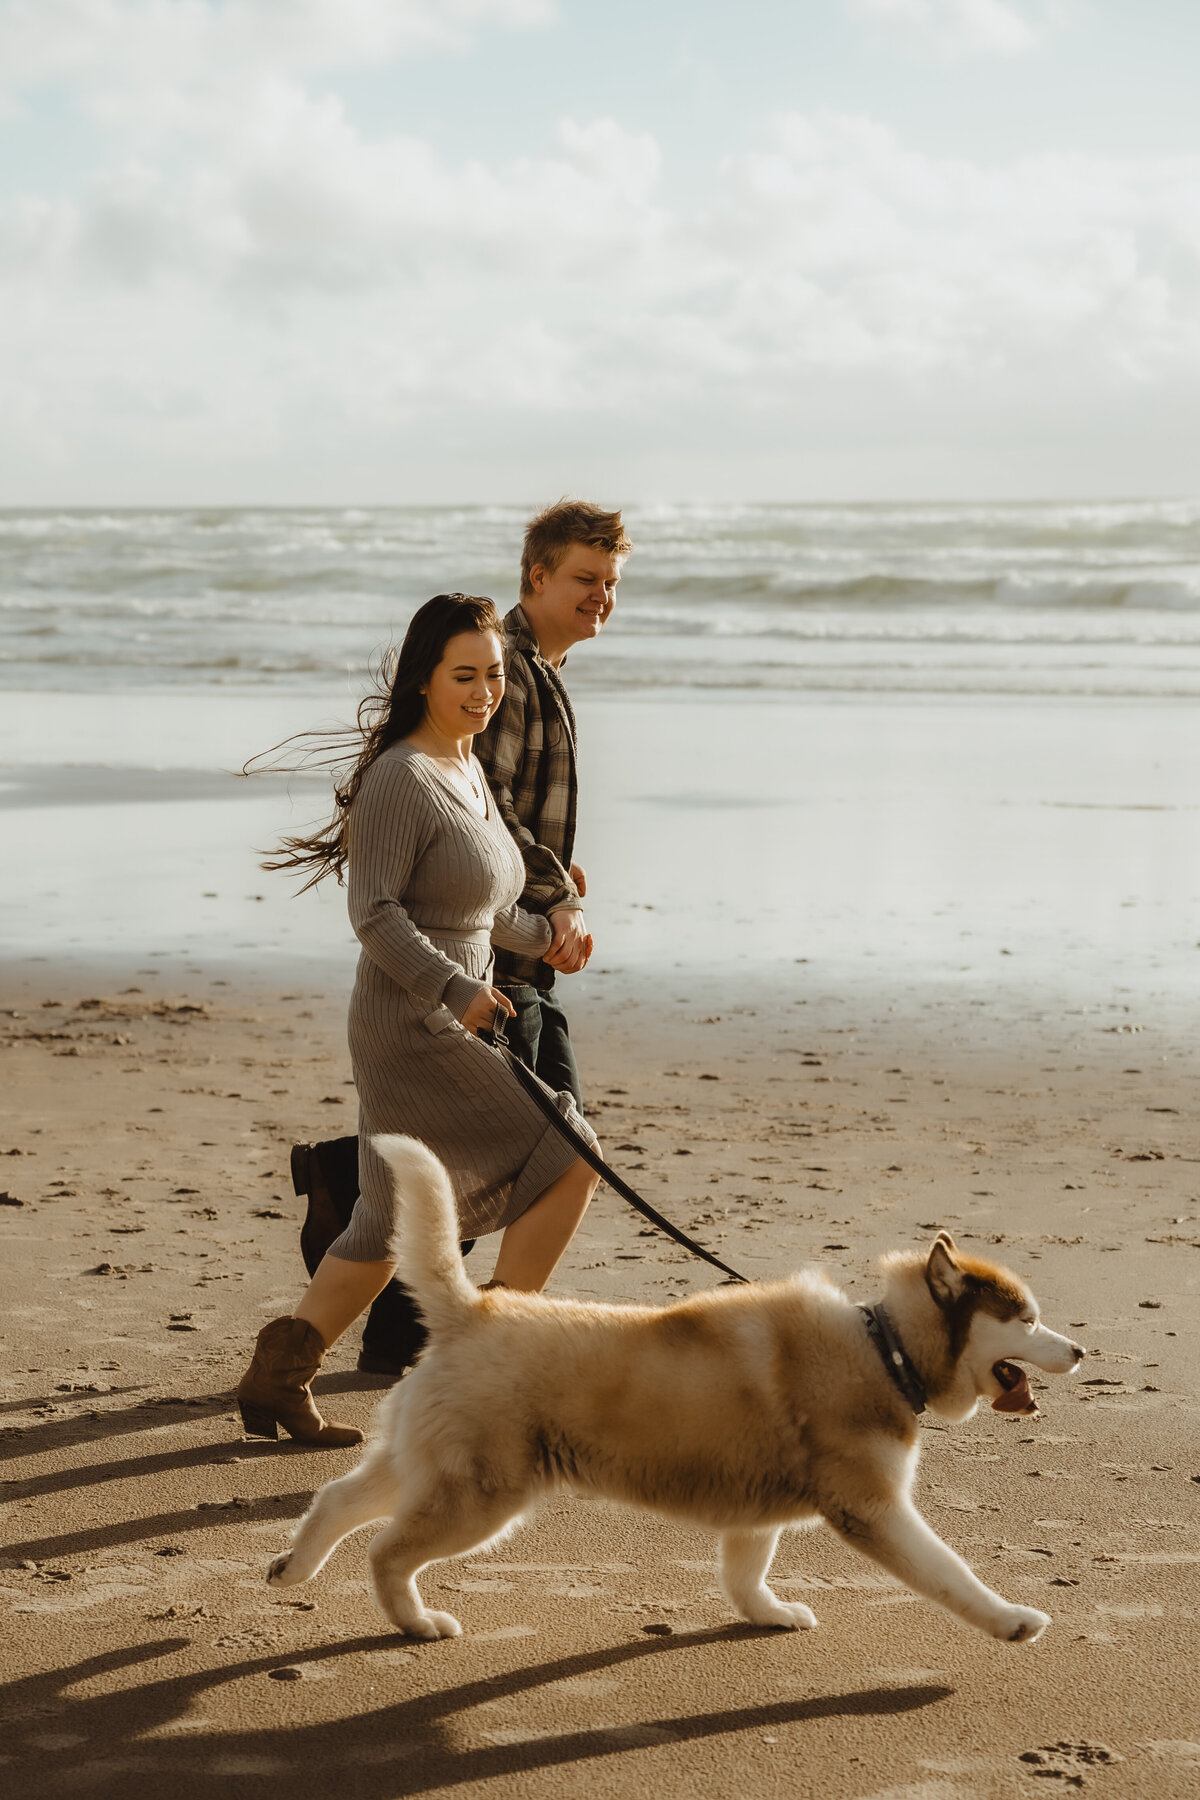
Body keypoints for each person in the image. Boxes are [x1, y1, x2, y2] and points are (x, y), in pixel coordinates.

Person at [235, 594, 602, 1446]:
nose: (483, 691)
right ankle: (493, 1371)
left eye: (495, 675)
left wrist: (545, 936)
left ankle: (278, 1377)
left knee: (385, 1220)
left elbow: (473, 905)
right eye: (463, 675)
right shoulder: (402, 775)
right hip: (413, 1019)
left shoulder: (467, 766)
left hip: (455, 1003)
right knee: (570, 1151)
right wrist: (451, 990)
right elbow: (375, 913)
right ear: (425, 679)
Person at [291, 501, 631, 1376]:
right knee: (557, 1147)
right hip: (467, 987)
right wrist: (555, 899)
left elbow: (489, 828)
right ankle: (483, 1357)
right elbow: (454, 858)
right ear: (537, 578)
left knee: (417, 1195)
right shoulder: (493, 672)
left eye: (611, 582)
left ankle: (309, 1355)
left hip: (494, 959)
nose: (603, 596)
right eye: (585, 579)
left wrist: (550, 896)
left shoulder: (519, 682)